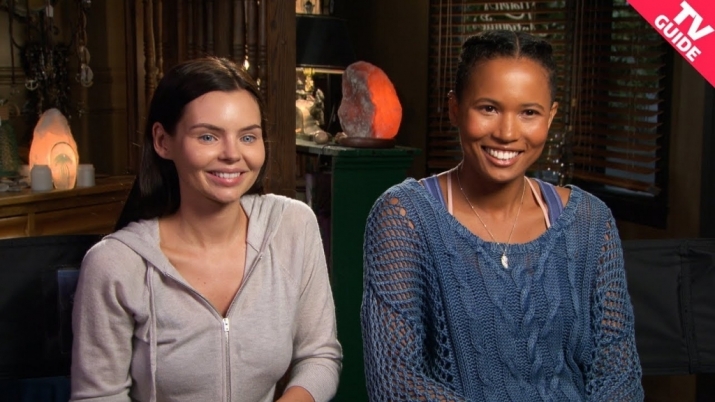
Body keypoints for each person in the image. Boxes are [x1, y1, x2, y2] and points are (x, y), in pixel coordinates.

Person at [361, 30, 643, 401]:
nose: (507, 133)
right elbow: (395, 381)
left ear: (551, 117)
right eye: (488, 109)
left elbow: (619, 377)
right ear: (455, 108)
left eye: (529, 113)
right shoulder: (405, 217)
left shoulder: (590, 222)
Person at [71, 57, 342, 402]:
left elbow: (319, 355)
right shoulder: (115, 264)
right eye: (208, 136)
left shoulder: (293, 226)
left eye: (248, 137)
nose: (232, 154)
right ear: (163, 141)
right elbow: (97, 397)